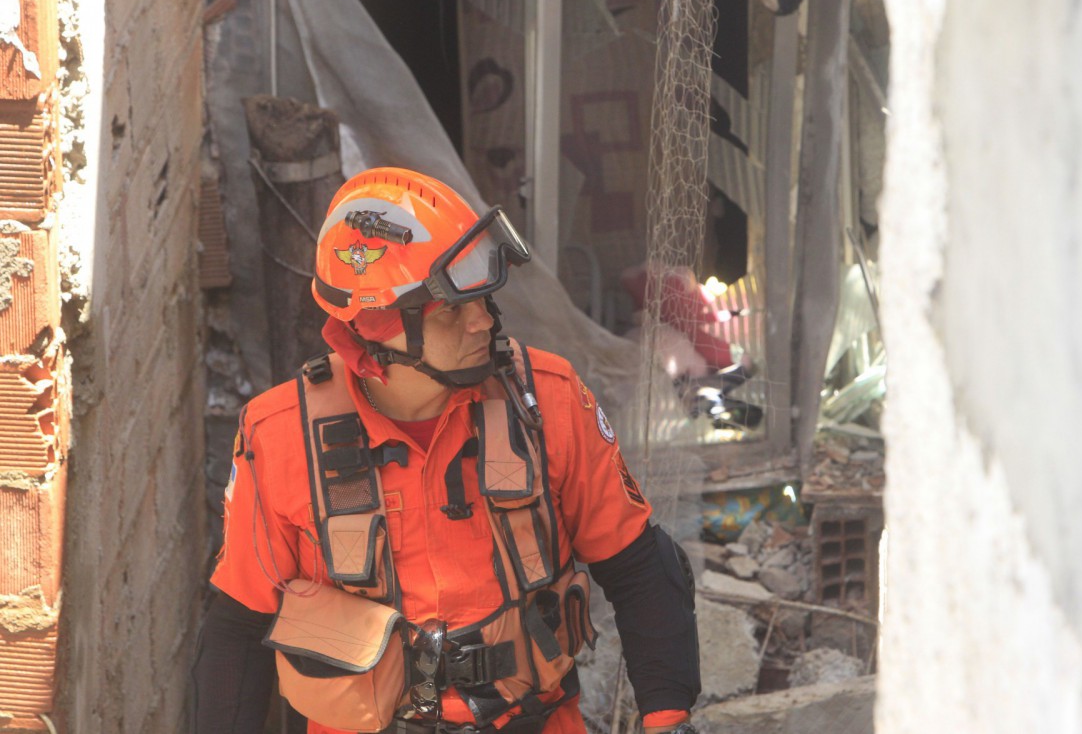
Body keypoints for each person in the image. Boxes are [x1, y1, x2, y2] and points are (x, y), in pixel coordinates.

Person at [193, 168, 701, 734]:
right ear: (379, 324)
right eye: (453, 310)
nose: (483, 320)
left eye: (481, 299)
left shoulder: (548, 400)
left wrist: (669, 721)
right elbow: (239, 632)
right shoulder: (278, 435)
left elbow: (640, 568)